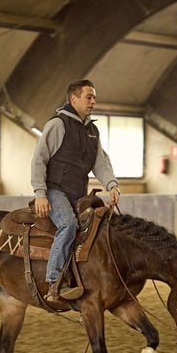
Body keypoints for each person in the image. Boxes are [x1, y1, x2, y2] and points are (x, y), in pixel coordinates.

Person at [30, 79, 120, 302]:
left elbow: (100, 162)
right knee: (69, 225)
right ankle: (54, 281)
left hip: (78, 194)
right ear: (74, 99)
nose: (93, 102)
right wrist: (40, 194)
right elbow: (38, 159)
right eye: (88, 97)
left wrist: (112, 185)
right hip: (55, 191)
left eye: (94, 98)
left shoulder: (92, 131)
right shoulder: (58, 125)